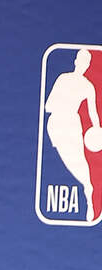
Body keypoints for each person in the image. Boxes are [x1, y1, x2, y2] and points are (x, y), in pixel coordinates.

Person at [45, 49, 100, 221]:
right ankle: (87, 187)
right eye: (81, 60)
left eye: (86, 62)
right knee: (59, 159)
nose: (83, 64)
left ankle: (89, 192)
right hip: (56, 124)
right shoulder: (63, 78)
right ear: (76, 61)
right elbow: (48, 106)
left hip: (72, 125)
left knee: (80, 162)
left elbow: (93, 113)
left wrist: (97, 130)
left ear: (88, 65)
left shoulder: (88, 86)